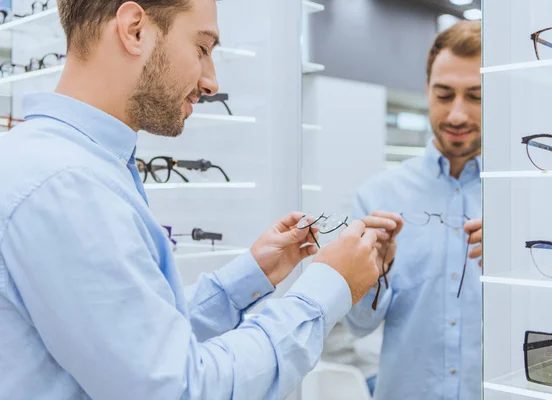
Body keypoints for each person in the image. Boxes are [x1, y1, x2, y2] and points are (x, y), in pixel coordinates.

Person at [0, 1, 387, 399]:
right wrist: (326, 290)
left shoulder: (65, 167)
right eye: (202, 48)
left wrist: (249, 277)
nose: (211, 81)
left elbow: (136, 342)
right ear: (134, 30)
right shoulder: (68, 185)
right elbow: (181, 388)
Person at [346, 20, 484, 400]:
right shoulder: (377, 196)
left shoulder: (525, 200)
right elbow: (358, 325)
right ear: (426, 91)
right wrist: (375, 273)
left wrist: (517, 271)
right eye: (444, 95)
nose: (457, 115)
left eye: (475, 96)